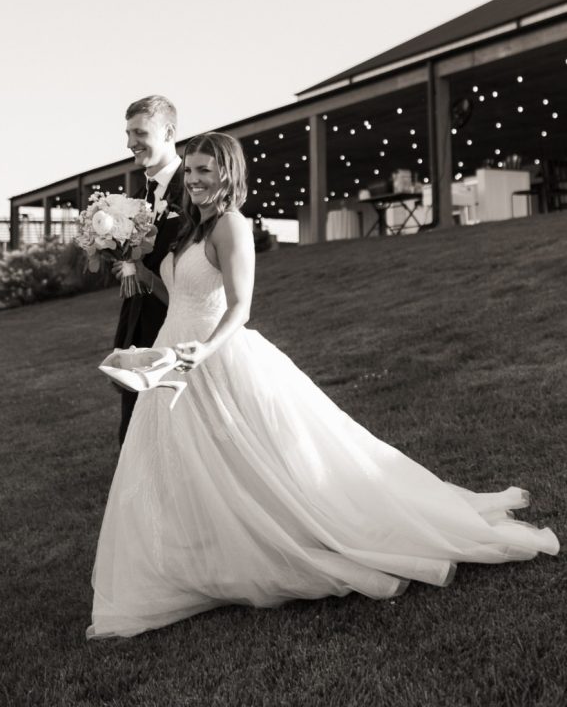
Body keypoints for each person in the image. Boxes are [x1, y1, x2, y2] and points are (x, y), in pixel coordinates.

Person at [87, 132, 559, 639]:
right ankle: (201, 550)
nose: (197, 180)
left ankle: (281, 541)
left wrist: (203, 350)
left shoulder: (231, 225)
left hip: (214, 356)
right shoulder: (188, 231)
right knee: (184, 462)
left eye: (207, 170)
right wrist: (136, 264)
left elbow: (240, 306)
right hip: (171, 358)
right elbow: (179, 293)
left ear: (228, 174)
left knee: (265, 462)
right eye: (193, 170)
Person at [112, 95, 183, 445]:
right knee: (133, 441)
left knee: (175, 441)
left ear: (168, 132)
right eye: (127, 133)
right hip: (137, 335)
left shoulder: (195, 192)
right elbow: (135, 265)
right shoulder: (136, 197)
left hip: (178, 335)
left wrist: (143, 272)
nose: (130, 143)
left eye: (139, 132)